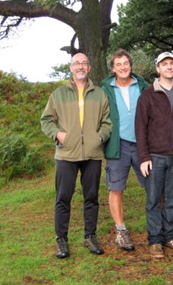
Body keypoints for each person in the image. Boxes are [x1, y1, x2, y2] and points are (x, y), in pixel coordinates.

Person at [40, 52, 112, 259]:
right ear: (71, 68)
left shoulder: (99, 94)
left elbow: (107, 122)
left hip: (92, 154)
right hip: (66, 154)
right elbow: (46, 120)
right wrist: (58, 134)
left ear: (89, 68)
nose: (80, 66)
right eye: (76, 63)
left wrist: (98, 138)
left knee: (91, 198)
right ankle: (61, 240)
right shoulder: (59, 94)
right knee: (63, 198)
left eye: (84, 63)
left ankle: (90, 236)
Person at [135, 52, 173, 259]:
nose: (168, 67)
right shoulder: (148, 95)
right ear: (157, 69)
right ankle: (155, 240)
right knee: (152, 199)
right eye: (164, 64)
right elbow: (140, 128)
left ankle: (169, 236)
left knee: (172, 198)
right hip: (154, 156)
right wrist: (143, 157)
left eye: (171, 63)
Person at [101, 49, 148, 251]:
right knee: (116, 188)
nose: (123, 67)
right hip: (117, 145)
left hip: (143, 144)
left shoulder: (143, 85)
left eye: (126, 63)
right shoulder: (104, 89)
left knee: (153, 185)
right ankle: (121, 231)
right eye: (118, 64)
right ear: (113, 68)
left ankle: (162, 224)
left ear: (131, 65)